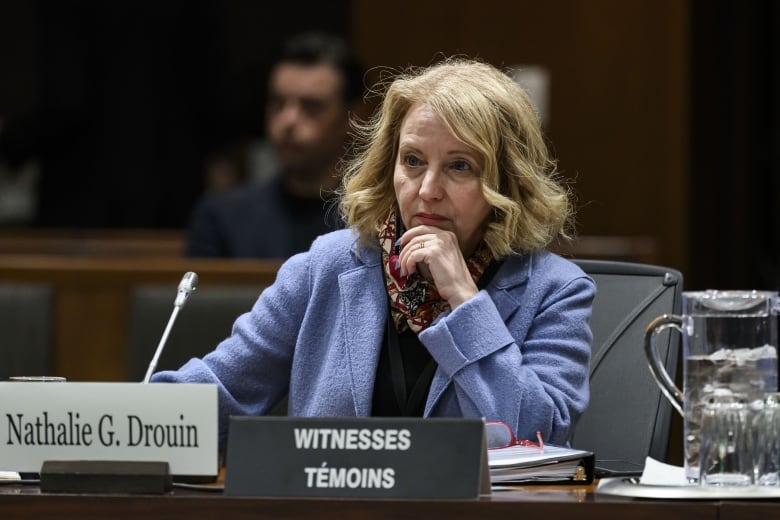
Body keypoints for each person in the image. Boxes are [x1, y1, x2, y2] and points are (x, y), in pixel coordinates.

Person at [153, 58, 595, 448]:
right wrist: (111, 417)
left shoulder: (554, 290)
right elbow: (220, 390)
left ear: (505, 182)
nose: (427, 190)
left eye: (460, 166)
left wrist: (466, 300)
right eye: (413, 161)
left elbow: (541, 435)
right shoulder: (327, 265)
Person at [185, 32, 366, 258]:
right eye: (278, 103)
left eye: (311, 107)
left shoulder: (373, 219)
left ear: (353, 117)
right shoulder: (222, 217)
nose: (288, 120)